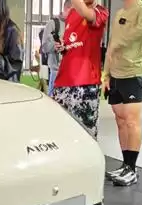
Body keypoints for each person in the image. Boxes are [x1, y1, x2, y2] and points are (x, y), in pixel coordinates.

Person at [102, 0, 142, 187]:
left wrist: (119, 42)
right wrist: (106, 74)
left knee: (132, 120)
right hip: (116, 74)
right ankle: (125, 165)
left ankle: (132, 168)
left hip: (135, 73)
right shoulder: (119, 13)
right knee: (120, 120)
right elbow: (110, 46)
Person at [52, 0, 109, 139]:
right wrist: (62, 46)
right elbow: (71, 42)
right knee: (61, 133)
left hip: (85, 84)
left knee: (85, 134)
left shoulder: (100, 12)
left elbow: (85, 12)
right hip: (63, 82)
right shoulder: (72, 13)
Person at [42, 12, 65, 97]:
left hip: (73, 74)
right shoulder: (53, 24)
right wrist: (53, 46)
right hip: (56, 72)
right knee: (53, 101)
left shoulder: (76, 24)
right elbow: (44, 47)